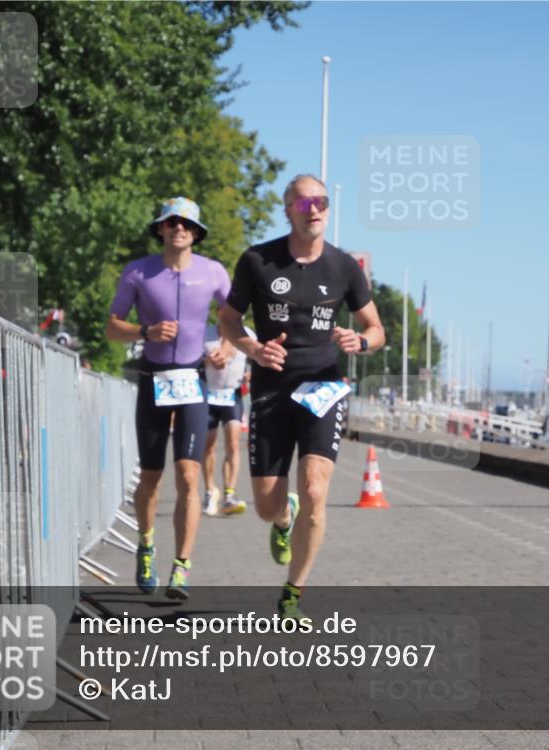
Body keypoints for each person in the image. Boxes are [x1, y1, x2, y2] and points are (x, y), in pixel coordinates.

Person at [219, 174, 385, 622]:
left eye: (322, 202)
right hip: (272, 388)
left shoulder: (344, 266)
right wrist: (252, 348)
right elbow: (228, 319)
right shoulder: (257, 260)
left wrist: (362, 342)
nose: (314, 209)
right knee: (266, 506)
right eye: (305, 202)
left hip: (322, 386)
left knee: (315, 488)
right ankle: (281, 518)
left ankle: (293, 591)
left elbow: (376, 327)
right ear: (288, 209)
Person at [107, 197, 231, 601]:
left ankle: (182, 566)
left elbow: (234, 319)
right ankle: (146, 544)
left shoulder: (212, 271)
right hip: (153, 379)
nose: (178, 228)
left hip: (193, 382)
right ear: (160, 228)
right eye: (171, 222)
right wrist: (145, 332)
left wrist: (226, 348)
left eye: (186, 224)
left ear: (196, 233)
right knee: (151, 476)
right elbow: (112, 326)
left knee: (190, 475)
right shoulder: (139, 272)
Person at [202, 327, 256, 516]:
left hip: (232, 395)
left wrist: (251, 375)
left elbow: (256, 357)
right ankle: (210, 491)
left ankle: (229, 495)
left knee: (233, 444)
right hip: (210, 394)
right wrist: (209, 360)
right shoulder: (206, 334)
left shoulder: (247, 333)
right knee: (208, 445)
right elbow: (195, 362)